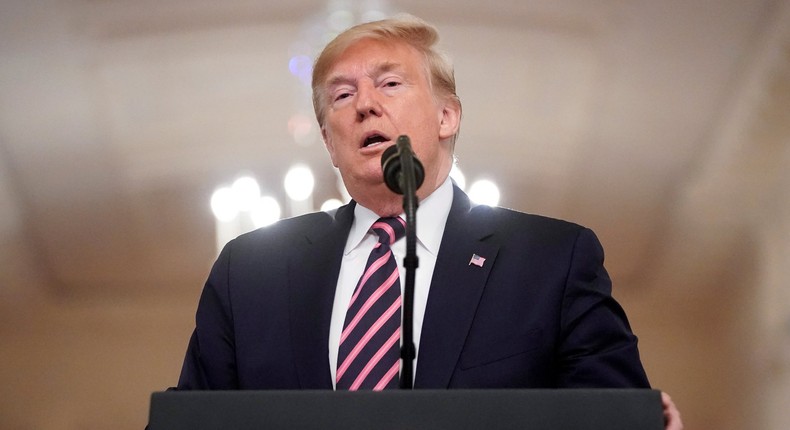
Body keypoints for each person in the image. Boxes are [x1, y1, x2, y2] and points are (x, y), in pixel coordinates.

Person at [175, 14, 682, 429]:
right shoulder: (250, 273)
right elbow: (189, 422)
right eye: (342, 95)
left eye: (390, 84)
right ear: (329, 143)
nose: (366, 105)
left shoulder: (550, 259)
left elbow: (612, 415)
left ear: (447, 117)